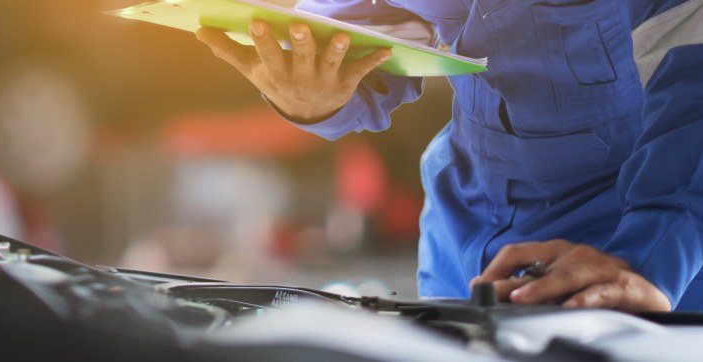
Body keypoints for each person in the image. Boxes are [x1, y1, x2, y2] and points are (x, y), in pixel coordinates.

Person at [196, 0, 703, 312]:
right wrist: (312, 100)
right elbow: (366, 33)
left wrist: (652, 258)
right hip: (459, 233)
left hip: (627, 249)